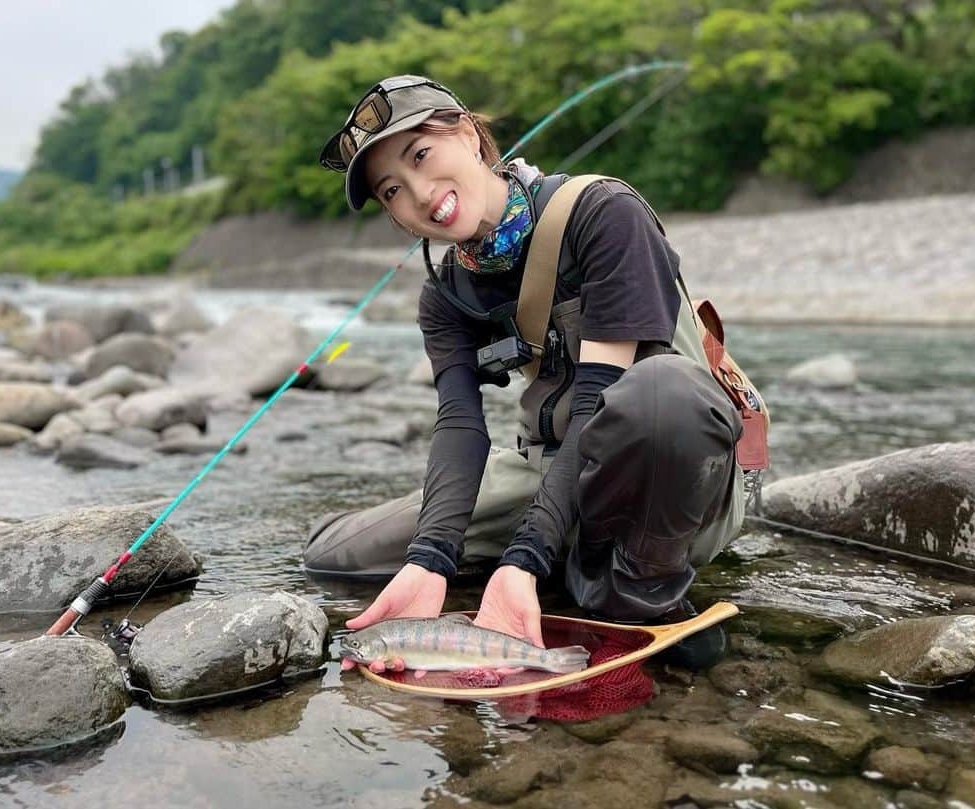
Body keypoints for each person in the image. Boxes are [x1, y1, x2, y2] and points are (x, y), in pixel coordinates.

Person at [310, 75, 746, 672]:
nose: (419, 193)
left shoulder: (604, 215)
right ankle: (565, 565)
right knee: (334, 552)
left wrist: (524, 557)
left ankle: (639, 594)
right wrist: (430, 558)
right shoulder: (445, 295)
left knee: (661, 393)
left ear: (467, 133)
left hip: (672, 479)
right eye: (392, 190)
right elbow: (461, 426)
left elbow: (596, 400)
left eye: (421, 155)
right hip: (556, 469)